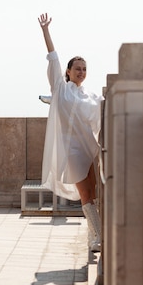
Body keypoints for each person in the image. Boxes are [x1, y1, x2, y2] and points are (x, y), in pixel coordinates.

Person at [38, 13, 103, 252]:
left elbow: (104, 106)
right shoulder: (60, 89)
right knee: (86, 194)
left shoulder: (89, 96)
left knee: (93, 192)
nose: (81, 72)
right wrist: (46, 31)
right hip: (71, 151)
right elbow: (53, 58)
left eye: (85, 69)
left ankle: (92, 236)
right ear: (68, 71)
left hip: (88, 149)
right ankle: (97, 238)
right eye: (77, 68)